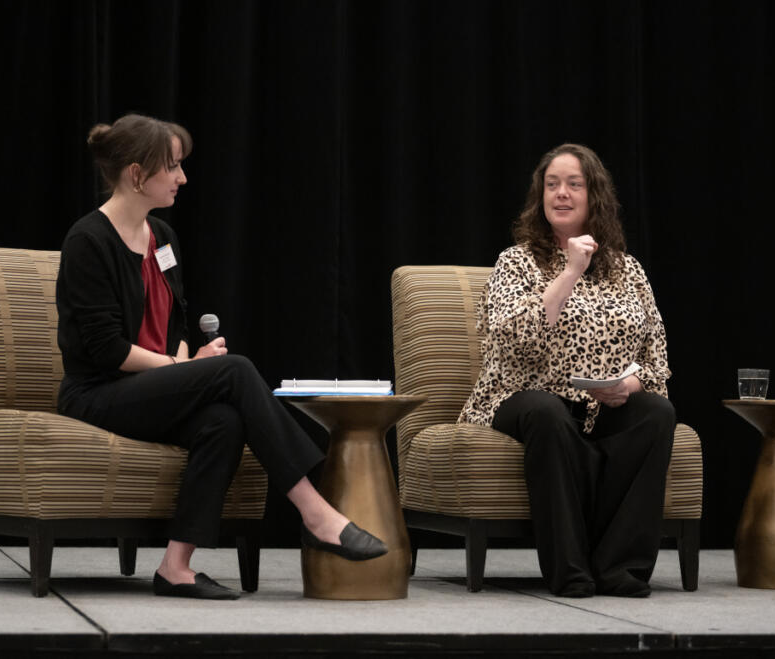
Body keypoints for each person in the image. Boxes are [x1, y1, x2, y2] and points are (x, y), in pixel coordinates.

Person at [55, 113, 387, 600]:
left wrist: (188, 358)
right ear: (137, 174)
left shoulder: (164, 239)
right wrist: (185, 369)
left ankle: (176, 566)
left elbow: (175, 327)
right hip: (98, 393)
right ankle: (315, 511)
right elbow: (107, 349)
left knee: (223, 421)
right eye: (172, 166)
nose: (182, 177)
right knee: (233, 370)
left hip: (150, 387)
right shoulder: (89, 241)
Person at [459, 143, 675, 598]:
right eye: (551, 184)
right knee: (546, 410)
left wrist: (627, 385)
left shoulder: (627, 269)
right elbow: (512, 337)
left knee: (655, 412)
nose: (561, 193)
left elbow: (656, 359)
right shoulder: (516, 261)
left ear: (594, 196)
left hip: (601, 405)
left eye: (574, 184)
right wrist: (571, 270)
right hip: (519, 398)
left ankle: (619, 568)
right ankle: (570, 571)